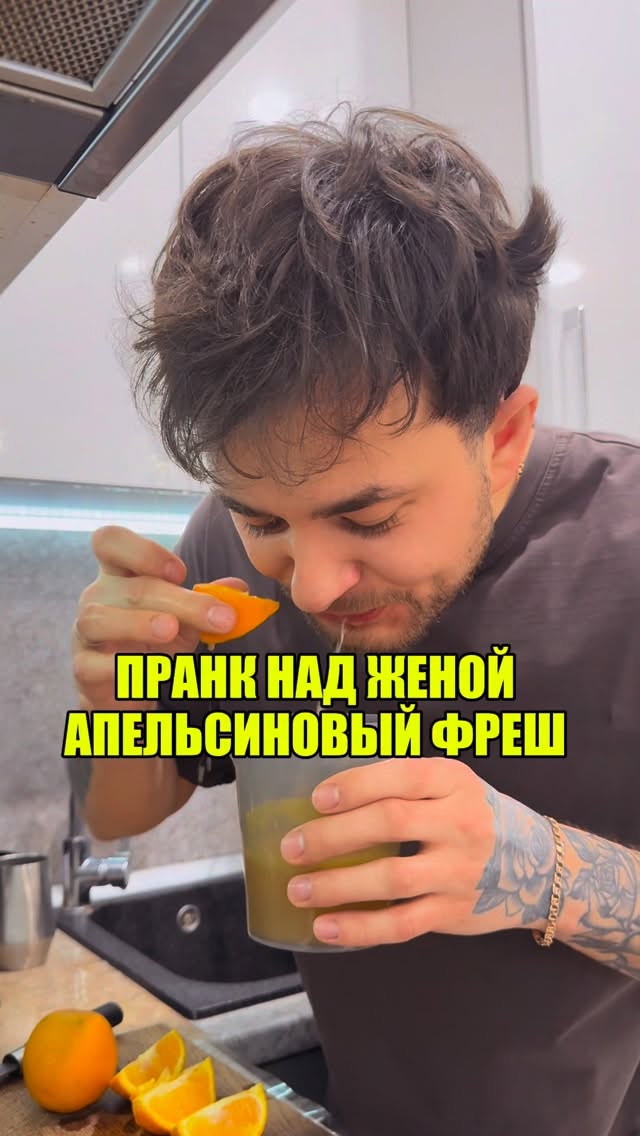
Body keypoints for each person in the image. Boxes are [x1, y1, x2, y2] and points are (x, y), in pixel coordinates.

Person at [71, 108, 640, 1136]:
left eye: (368, 518)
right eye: (264, 520)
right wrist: (121, 697)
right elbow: (122, 810)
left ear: (504, 436)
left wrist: (536, 868)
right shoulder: (225, 548)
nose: (314, 587)